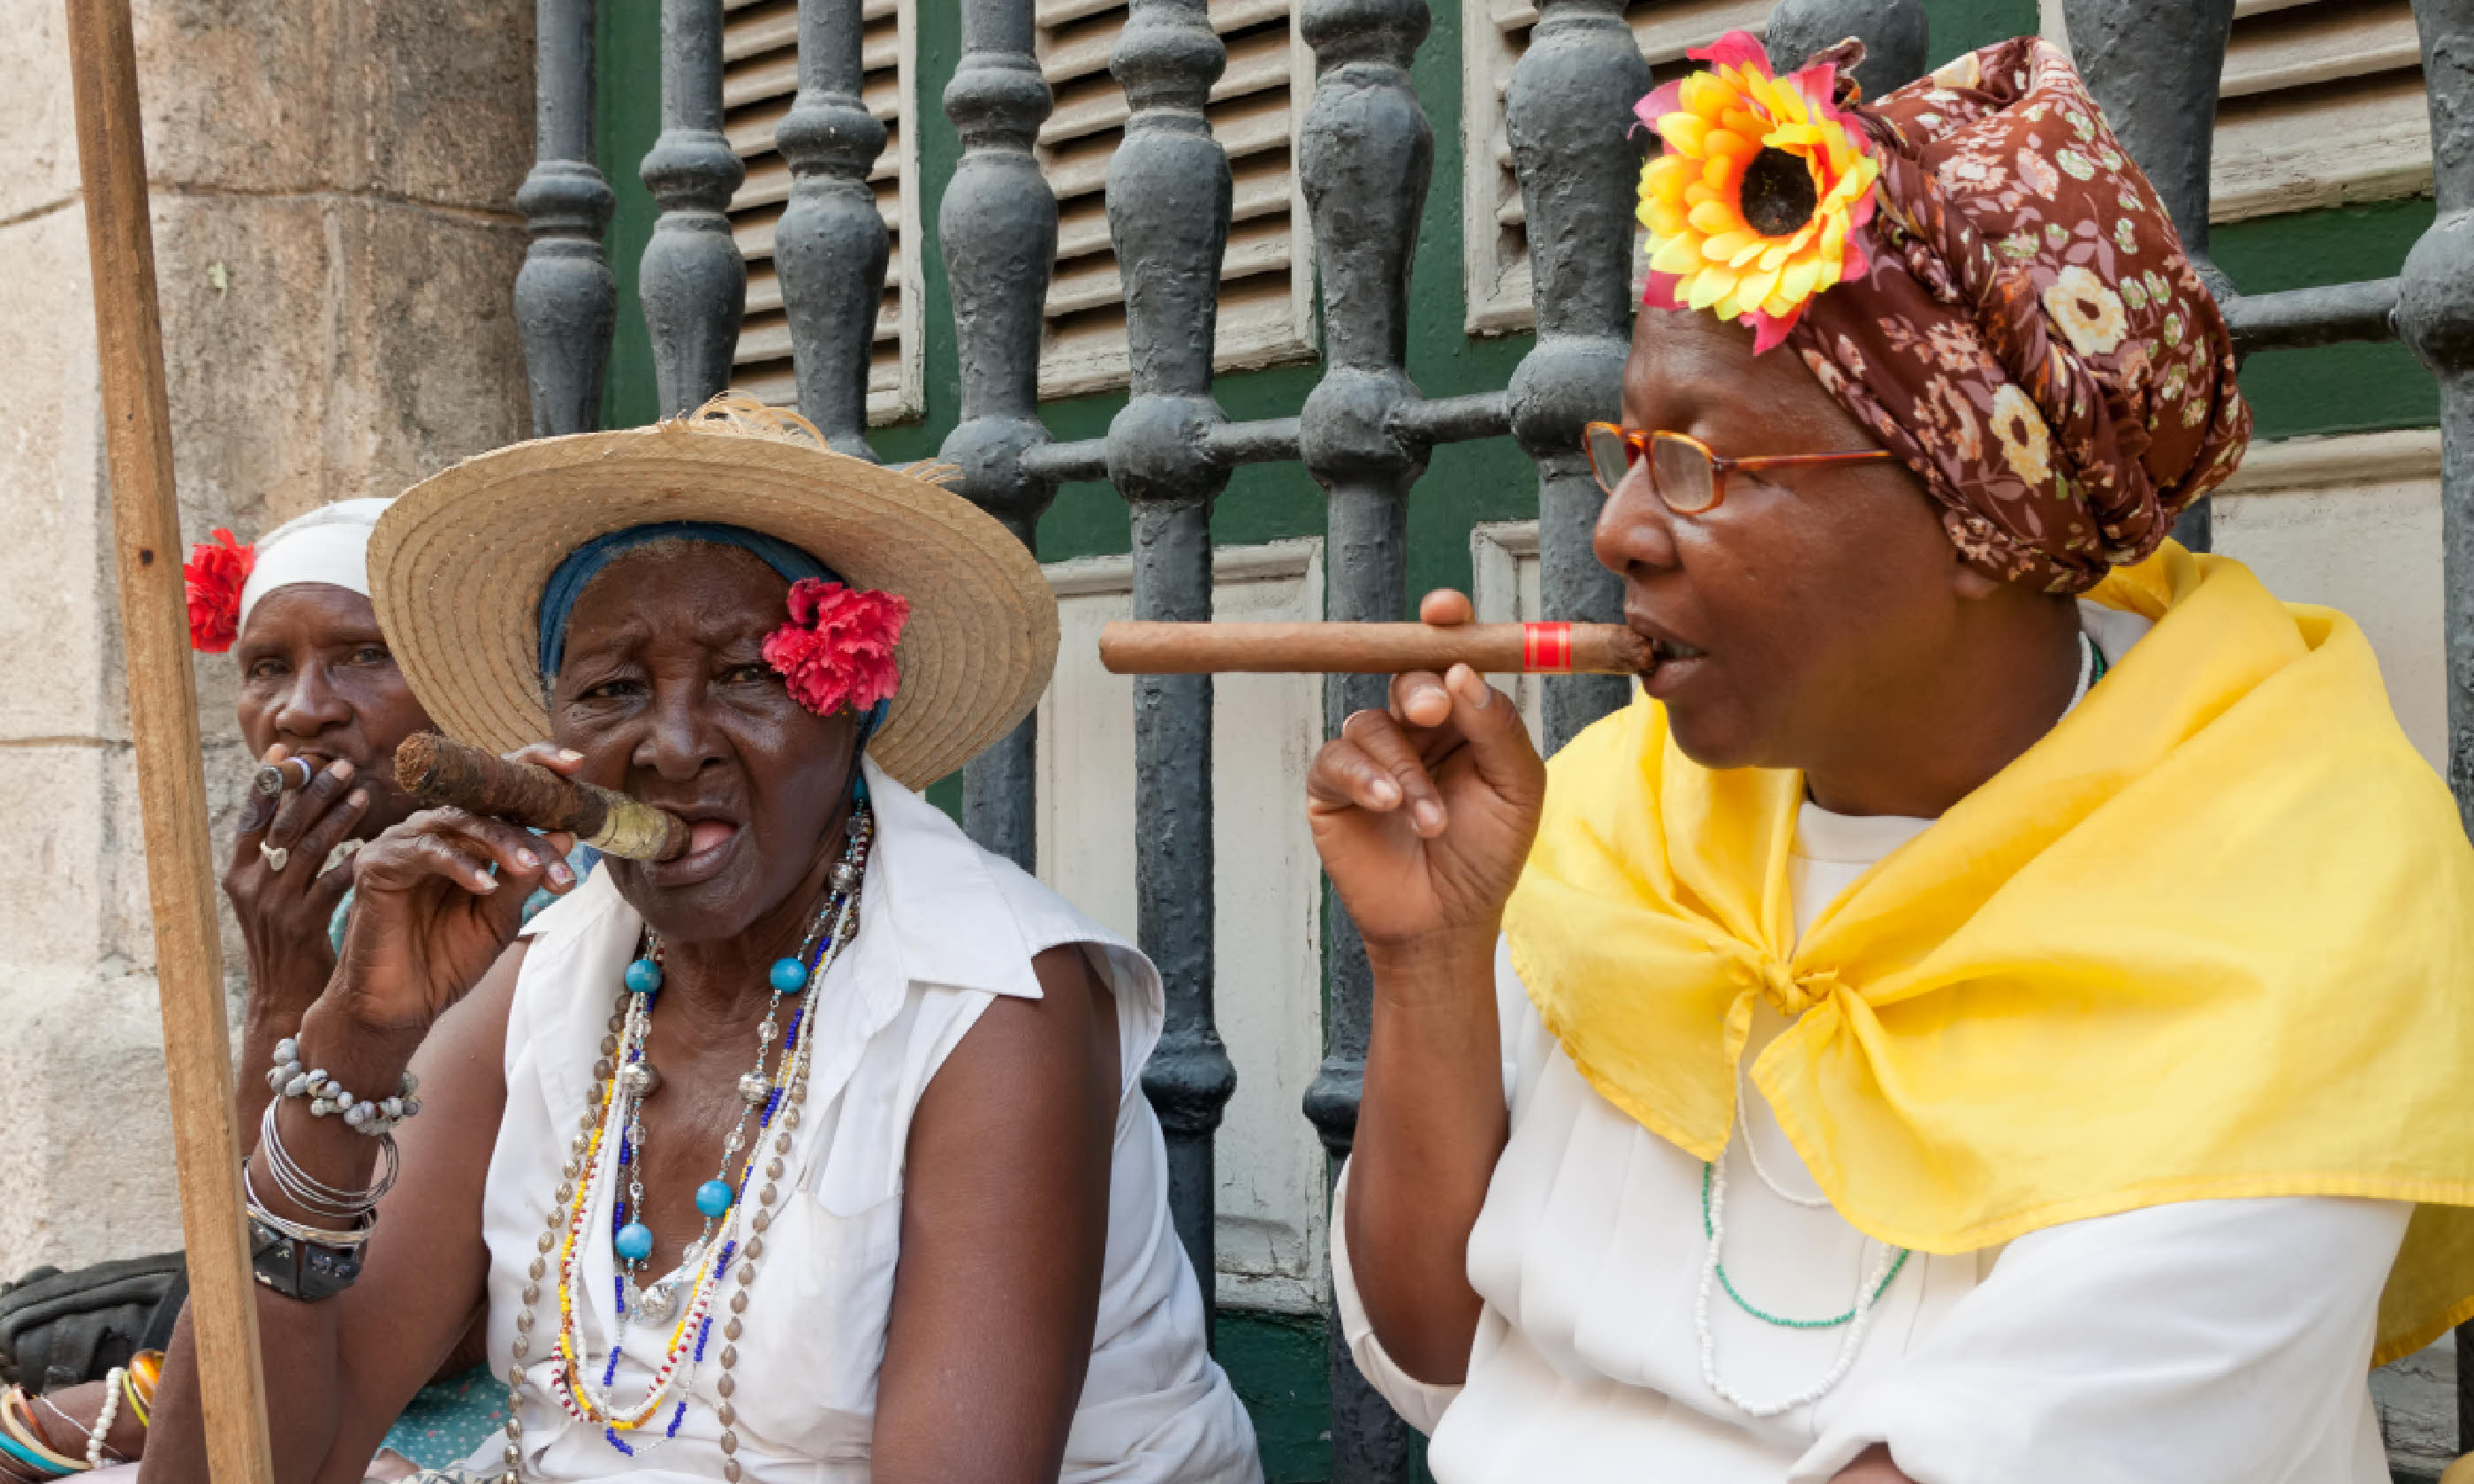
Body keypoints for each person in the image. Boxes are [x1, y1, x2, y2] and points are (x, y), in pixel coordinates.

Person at [1309, 34, 2474, 1484]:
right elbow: (1437, 1344)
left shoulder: (2293, 897)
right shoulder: (1607, 825)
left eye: (1707, 465)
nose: (1616, 533)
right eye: (1634, 446)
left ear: (1983, 505)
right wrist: (1430, 969)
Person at [137, 395, 1259, 1484]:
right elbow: (234, 1467)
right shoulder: (550, 973)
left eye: (747, 678)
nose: (672, 747)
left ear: (848, 707)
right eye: (613, 687)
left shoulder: (990, 998)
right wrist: (352, 1046)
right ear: (559, 736)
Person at [0, 502, 526, 1479]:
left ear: (463, 688)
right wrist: (284, 980)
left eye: (363, 656)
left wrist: (93, 1418)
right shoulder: (334, 908)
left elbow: (381, 1319)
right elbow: (255, 1251)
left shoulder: (521, 917)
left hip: (449, 1419)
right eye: (267, 668)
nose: (300, 709)